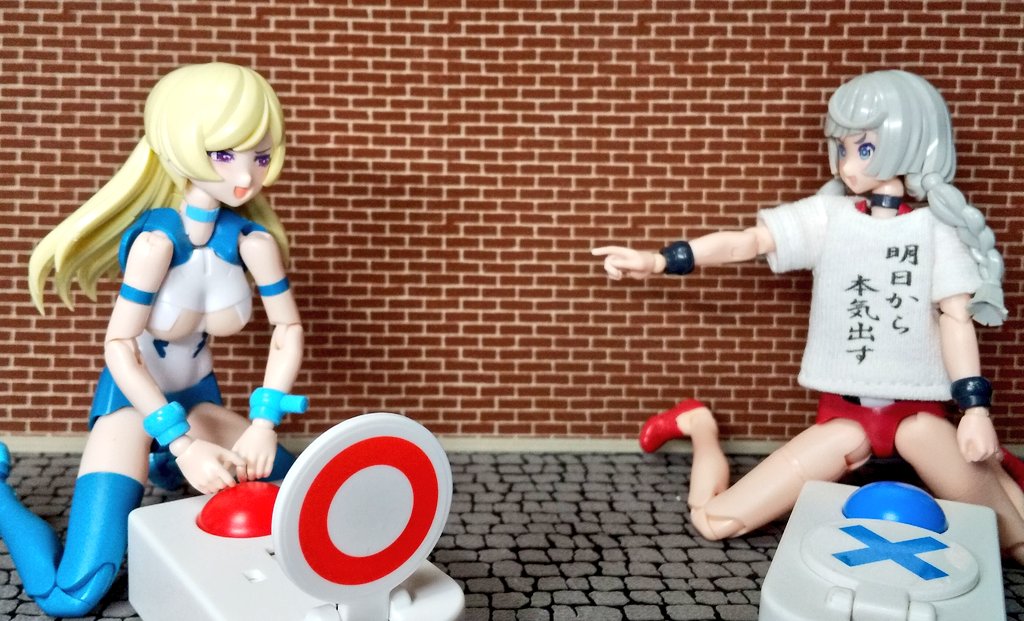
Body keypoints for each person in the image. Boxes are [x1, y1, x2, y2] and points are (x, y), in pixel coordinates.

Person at [593, 70, 1024, 561]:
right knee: (715, 520)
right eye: (841, 148)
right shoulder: (827, 218)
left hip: (919, 417)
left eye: (864, 148)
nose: (847, 164)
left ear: (909, 144)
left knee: (1012, 539)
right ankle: (699, 425)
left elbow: (956, 318)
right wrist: (659, 261)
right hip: (845, 418)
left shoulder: (934, 231)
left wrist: (975, 411)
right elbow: (747, 242)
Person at [0, 62, 306, 616]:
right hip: (132, 407)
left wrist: (264, 423)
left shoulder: (253, 244)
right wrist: (181, 444)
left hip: (199, 402)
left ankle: (168, 466)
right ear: (178, 147)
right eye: (224, 154)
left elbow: (287, 329)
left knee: (307, 498)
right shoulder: (156, 246)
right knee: (72, 595)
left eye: (261, 156)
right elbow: (118, 347)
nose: (246, 174)